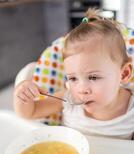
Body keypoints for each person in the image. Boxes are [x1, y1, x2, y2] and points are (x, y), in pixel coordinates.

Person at [14, 8, 134, 139]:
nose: (82, 90)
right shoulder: (68, 99)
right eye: (73, 78)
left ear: (124, 74)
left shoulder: (131, 109)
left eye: (93, 77)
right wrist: (22, 97)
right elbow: (31, 112)